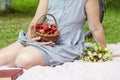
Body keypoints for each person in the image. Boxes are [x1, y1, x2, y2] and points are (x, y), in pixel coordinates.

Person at [0, 0, 106, 69]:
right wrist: (32, 37)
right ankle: (31, 49)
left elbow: (95, 27)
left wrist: (104, 51)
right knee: (1, 57)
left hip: (66, 45)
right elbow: (37, 19)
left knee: (23, 59)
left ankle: (31, 52)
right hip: (43, 37)